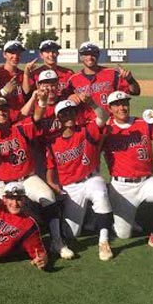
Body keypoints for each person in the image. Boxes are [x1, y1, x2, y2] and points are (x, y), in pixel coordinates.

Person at [0, 95, 73, 259]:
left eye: (4, 109)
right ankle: (11, 246)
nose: (1, 113)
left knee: (47, 197)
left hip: (27, 178)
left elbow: (37, 117)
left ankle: (57, 241)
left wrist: (41, 101)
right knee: (4, 214)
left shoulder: (19, 126)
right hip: (6, 183)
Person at [103, 91, 153, 254]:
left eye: (125, 103)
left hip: (147, 182)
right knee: (124, 235)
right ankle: (114, 207)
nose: (122, 107)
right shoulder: (105, 130)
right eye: (117, 104)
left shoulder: (145, 123)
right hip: (121, 186)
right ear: (110, 108)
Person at [45, 99, 114, 261]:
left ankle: (103, 241)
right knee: (71, 233)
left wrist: (91, 102)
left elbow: (103, 117)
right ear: (58, 118)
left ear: (76, 114)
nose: (68, 115)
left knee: (101, 195)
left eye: (71, 112)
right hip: (71, 187)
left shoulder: (86, 130)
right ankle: (92, 217)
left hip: (90, 178)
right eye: (64, 113)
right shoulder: (53, 141)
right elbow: (50, 172)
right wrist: (55, 188)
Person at [66, 42, 141, 112]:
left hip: (109, 121)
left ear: (98, 55)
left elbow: (135, 92)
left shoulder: (113, 73)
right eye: (86, 54)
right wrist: (70, 98)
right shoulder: (73, 80)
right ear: (81, 57)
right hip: (87, 123)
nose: (90, 57)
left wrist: (130, 80)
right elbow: (66, 101)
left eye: (93, 54)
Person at [0, 40, 27, 121]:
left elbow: (27, 95)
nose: (15, 56)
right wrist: (4, 91)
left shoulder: (23, 74)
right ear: (4, 54)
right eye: (12, 53)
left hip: (20, 117)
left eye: (18, 53)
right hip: (1, 119)